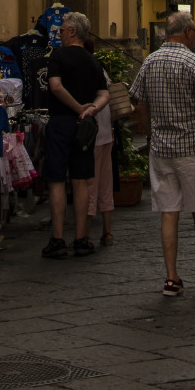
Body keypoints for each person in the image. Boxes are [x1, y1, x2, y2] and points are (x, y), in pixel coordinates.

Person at [129, 12, 195, 297]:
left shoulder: (149, 61)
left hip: (161, 148)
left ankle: (171, 277)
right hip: (190, 147)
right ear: (188, 32)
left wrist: (150, 132)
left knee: (169, 211)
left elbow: (139, 103)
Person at [41, 10, 109, 260]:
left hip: (60, 123)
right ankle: (81, 239)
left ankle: (57, 239)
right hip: (84, 127)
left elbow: (55, 86)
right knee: (81, 181)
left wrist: (77, 107)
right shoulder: (93, 61)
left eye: (61, 30)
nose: (59, 34)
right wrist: (91, 109)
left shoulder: (58, 56)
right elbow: (104, 94)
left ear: (71, 32)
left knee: (57, 180)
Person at [83, 37, 115, 245]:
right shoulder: (100, 68)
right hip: (106, 132)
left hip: (91, 135)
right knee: (105, 182)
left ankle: (84, 234)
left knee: (88, 184)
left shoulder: (83, 68)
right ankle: (107, 231)